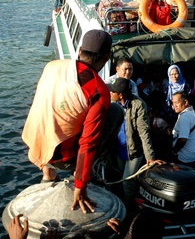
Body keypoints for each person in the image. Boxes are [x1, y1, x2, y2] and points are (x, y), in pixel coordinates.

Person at [22, 30, 124, 214]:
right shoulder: (98, 90)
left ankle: (47, 172)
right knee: (116, 111)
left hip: (34, 142)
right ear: (107, 56)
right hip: (64, 159)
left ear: (79, 50)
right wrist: (80, 186)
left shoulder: (52, 66)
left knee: (55, 109)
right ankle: (86, 169)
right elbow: (89, 142)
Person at [107, 77, 164, 211]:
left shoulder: (138, 105)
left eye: (112, 92)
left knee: (127, 182)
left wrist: (150, 157)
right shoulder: (113, 104)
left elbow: (144, 133)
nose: (110, 93)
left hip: (134, 151)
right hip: (119, 149)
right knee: (120, 178)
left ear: (120, 95)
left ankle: (129, 209)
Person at [171, 91, 195, 167]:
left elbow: (183, 139)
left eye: (176, 103)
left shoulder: (184, 117)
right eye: (173, 103)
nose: (173, 106)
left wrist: (173, 151)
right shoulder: (192, 111)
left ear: (185, 102)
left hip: (185, 158)